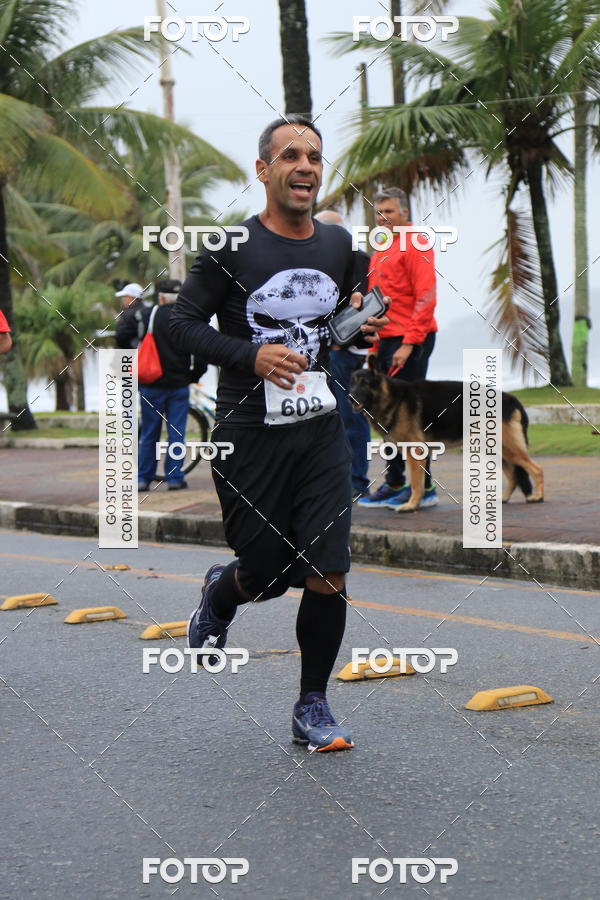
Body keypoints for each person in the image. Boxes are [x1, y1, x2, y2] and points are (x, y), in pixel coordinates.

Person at [170, 116, 387, 752]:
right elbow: (179, 327)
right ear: (264, 170)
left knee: (328, 570)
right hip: (248, 434)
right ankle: (221, 592)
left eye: (315, 157)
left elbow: (344, 319)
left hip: (320, 429)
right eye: (290, 155)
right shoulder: (230, 248)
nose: (305, 166)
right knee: (265, 573)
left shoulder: (341, 245)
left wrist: (361, 327)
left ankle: (312, 704)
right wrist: (250, 355)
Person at [357, 187, 439, 510]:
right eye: (379, 213)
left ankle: (425, 487)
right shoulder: (381, 248)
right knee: (384, 414)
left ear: (405, 213)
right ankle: (394, 481)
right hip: (386, 339)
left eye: (389, 212)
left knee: (409, 418)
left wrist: (408, 343)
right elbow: (375, 301)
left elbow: (426, 297)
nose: (383, 218)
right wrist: (374, 346)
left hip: (412, 338)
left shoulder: (416, 243)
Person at [119, 279, 207, 491]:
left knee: (150, 431)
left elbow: (123, 337)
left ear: (160, 297)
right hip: (179, 384)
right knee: (176, 432)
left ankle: (143, 478)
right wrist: (194, 375)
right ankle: (175, 478)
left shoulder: (148, 315)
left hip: (151, 383)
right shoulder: (188, 317)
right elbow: (201, 352)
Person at [315, 210, 371, 499]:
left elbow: (359, 304)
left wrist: (339, 341)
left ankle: (357, 482)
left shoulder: (354, 259)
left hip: (345, 350)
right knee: (333, 418)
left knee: (350, 418)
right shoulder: (342, 257)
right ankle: (344, 481)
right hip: (335, 349)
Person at [115, 282, 147, 349]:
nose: (123, 299)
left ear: (131, 298)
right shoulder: (147, 311)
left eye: (125, 296)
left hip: (129, 354)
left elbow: (121, 338)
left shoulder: (128, 314)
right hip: (143, 352)